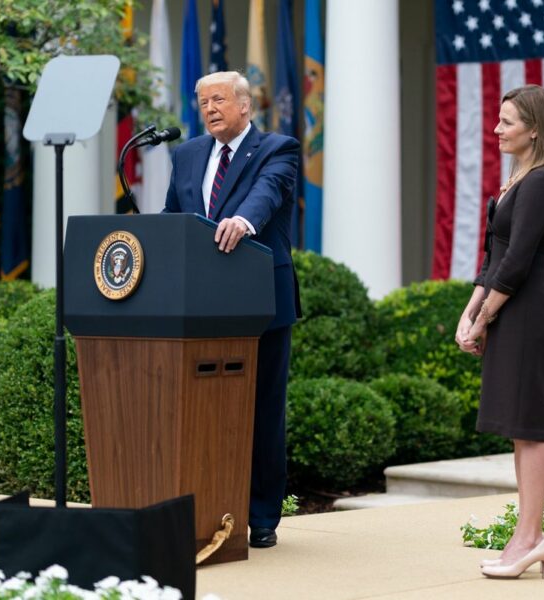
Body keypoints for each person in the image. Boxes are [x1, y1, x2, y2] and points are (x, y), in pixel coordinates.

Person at [163, 71, 300, 549]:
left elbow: (268, 193)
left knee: (261, 412)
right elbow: (172, 220)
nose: (209, 109)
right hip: (197, 308)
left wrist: (243, 220)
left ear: (245, 105)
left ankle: (261, 517)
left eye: (218, 99)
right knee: (202, 413)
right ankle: (205, 509)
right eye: (202, 102)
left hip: (260, 301)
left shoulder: (277, 148)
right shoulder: (185, 155)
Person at [455, 84, 544, 579]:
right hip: (506, 309)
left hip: (525, 313)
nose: (497, 130)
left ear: (535, 129)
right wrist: (470, 307)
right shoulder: (518, 179)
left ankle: (530, 537)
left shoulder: (543, 181)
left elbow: (518, 263)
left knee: (530, 428)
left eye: (507, 122)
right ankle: (528, 536)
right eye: (498, 121)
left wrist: (484, 317)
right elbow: (492, 257)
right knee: (520, 431)